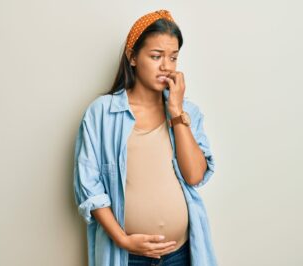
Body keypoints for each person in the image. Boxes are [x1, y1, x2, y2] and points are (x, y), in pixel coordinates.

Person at [73, 9, 217, 266]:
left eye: (173, 58)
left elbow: (195, 175)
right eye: (156, 56)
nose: (166, 66)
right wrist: (123, 240)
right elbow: (89, 187)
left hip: (181, 255)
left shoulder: (187, 112)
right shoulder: (102, 113)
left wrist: (175, 112)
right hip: (128, 256)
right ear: (133, 57)